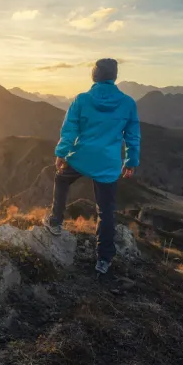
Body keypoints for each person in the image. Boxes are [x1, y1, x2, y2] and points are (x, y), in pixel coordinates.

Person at [43, 58, 141, 275]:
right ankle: (103, 259)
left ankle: (55, 222)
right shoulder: (127, 103)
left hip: (82, 156)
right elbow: (133, 136)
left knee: (61, 179)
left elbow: (70, 130)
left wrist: (61, 153)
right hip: (108, 163)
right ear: (114, 77)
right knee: (105, 211)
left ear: (94, 76)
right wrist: (131, 161)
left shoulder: (82, 100)